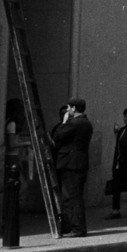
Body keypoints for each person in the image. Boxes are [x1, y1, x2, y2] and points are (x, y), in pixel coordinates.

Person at [51, 98, 94, 237]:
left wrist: (64, 122)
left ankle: (77, 228)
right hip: (79, 163)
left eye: (69, 108)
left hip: (71, 164)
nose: (68, 110)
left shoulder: (74, 123)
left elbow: (57, 135)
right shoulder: (86, 123)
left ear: (74, 108)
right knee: (73, 197)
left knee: (71, 197)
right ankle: (71, 226)